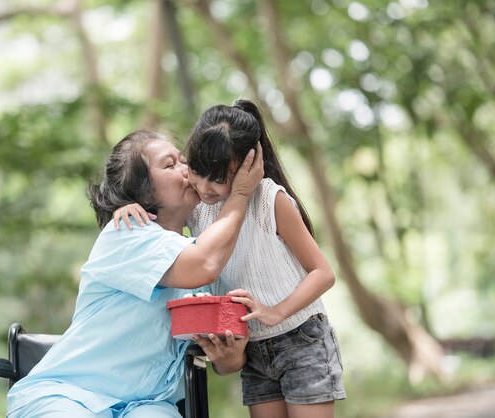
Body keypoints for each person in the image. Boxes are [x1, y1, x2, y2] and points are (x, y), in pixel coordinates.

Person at [6, 129, 264, 418]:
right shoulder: (125, 234)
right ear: (142, 190)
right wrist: (240, 193)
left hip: (148, 405)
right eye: (170, 165)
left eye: (183, 161)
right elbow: (203, 264)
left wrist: (230, 357)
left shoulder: (199, 251)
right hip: (70, 394)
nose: (187, 169)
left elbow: (223, 363)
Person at [115, 100, 346, 418]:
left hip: (300, 338)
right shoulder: (197, 206)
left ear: (246, 166)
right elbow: (162, 229)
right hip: (252, 348)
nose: (205, 187)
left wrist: (276, 311)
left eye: (219, 178)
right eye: (197, 172)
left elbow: (323, 273)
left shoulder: (270, 199)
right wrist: (126, 207)